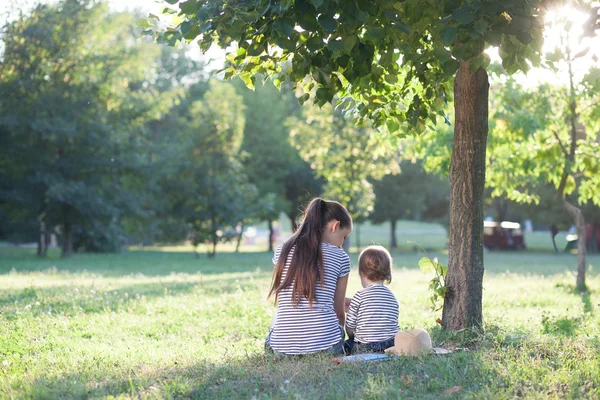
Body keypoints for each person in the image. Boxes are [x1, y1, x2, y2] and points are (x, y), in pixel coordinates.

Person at [265, 198, 352, 356]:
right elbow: (339, 312)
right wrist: (339, 336)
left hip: (282, 349)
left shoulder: (282, 251)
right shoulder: (341, 257)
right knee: (337, 331)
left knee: (274, 328)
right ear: (335, 226)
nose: (342, 244)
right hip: (326, 347)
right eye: (344, 237)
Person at [344, 245, 399, 354]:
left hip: (365, 346)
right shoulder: (392, 296)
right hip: (391, 344)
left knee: (346, 344)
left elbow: (350, 327)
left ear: (362, 274)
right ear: (387, 273)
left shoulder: (359, 295)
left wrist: (352, 336)